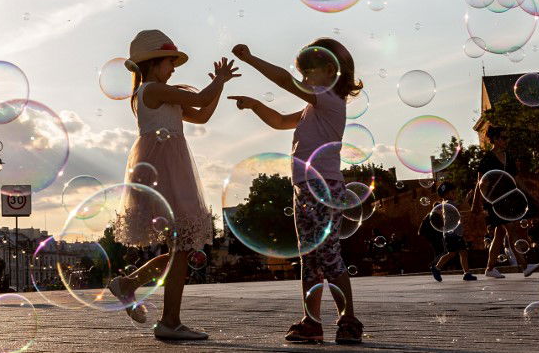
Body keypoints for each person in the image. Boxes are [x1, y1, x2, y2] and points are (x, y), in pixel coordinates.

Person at [105, 30, 239, 341]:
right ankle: (169, 320)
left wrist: (218, 86)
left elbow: (203, 114)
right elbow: (201, 98)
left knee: (181, 247)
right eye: (170, 61)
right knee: (181, 246)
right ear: (152, 63)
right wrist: (219, 79)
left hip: (169, 165)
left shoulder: (161, 92)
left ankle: (131, 287)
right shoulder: (152, 90)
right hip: (163, 168)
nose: (174, 68)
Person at [228, 38, 364, 345]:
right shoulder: (311, 108)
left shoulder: (329, 101)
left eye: (307, 73)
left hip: (323, 187)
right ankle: (312, 322)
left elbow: (284, 80)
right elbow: (278, 121)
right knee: (310, 259)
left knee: (328, 256)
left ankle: (348, 319)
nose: (302, 81)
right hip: (303, 188)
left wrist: (251, 58)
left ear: (330, 71)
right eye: (302, 75)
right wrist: (255, 105)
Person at [469, 126, 539, 278]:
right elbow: (480, 183)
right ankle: (525, 266)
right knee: (511, 230)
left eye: (506, 137)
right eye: (503, 138)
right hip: (495, 202)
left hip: (509, 199)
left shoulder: (508, 156)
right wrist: (476, 203)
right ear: (495, 139)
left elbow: (516, 178)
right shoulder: (488, 159)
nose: (506, 140)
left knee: (500, 233)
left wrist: (529, 194)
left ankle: (489, 269)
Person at [429, 184, 477, 282]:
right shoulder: (448, 203)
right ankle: (436, 267)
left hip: (456, 233)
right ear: (445, 195)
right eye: (452, 192)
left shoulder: (450, 204)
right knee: (452, 253)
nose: (455, 194)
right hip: (451, 234)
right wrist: (467, 198)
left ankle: (466, 273)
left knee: (463, 252)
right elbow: (460, 207)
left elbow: (460, 212)